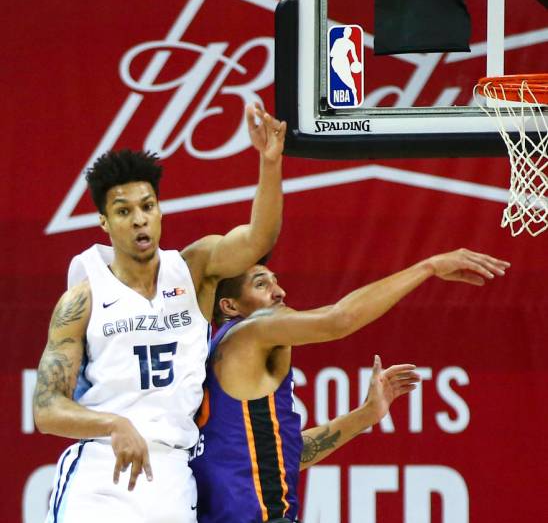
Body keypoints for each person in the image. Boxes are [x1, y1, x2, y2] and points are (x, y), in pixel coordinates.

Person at [33, 104, 286, 523]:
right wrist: (113, 424)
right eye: (123, 211)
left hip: (170, 471)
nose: (139, 220)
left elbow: (259, 238)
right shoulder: (82, 299)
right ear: (103, 221)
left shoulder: (193, 270)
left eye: (147, 206)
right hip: (101, 466)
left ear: (160, 209)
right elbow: (46, 410)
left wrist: (270, 163)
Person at [190, 249, 510, 523]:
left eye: (276, 280)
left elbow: (283, 455)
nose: (279, 292)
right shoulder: (250, 332)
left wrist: (366, 415)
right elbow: (339, 319)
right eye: (261, 284)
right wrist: (429, 267)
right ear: (230, 307)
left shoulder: (220, 359)